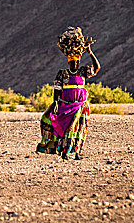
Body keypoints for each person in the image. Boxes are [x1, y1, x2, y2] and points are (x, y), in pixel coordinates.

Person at [36, 27, 100, 160]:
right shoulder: (62, 74)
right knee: (56, 124)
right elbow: (57, 89)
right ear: (68, 62)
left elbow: (97, 68)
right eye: (72, 62)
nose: (74, 63)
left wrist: (89, 52)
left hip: (80, 106)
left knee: (79, 130)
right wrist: (55, 103)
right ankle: (62, 151)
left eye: (76, 61)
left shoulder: (83, 71)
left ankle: (77, 152)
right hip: (65, 105)